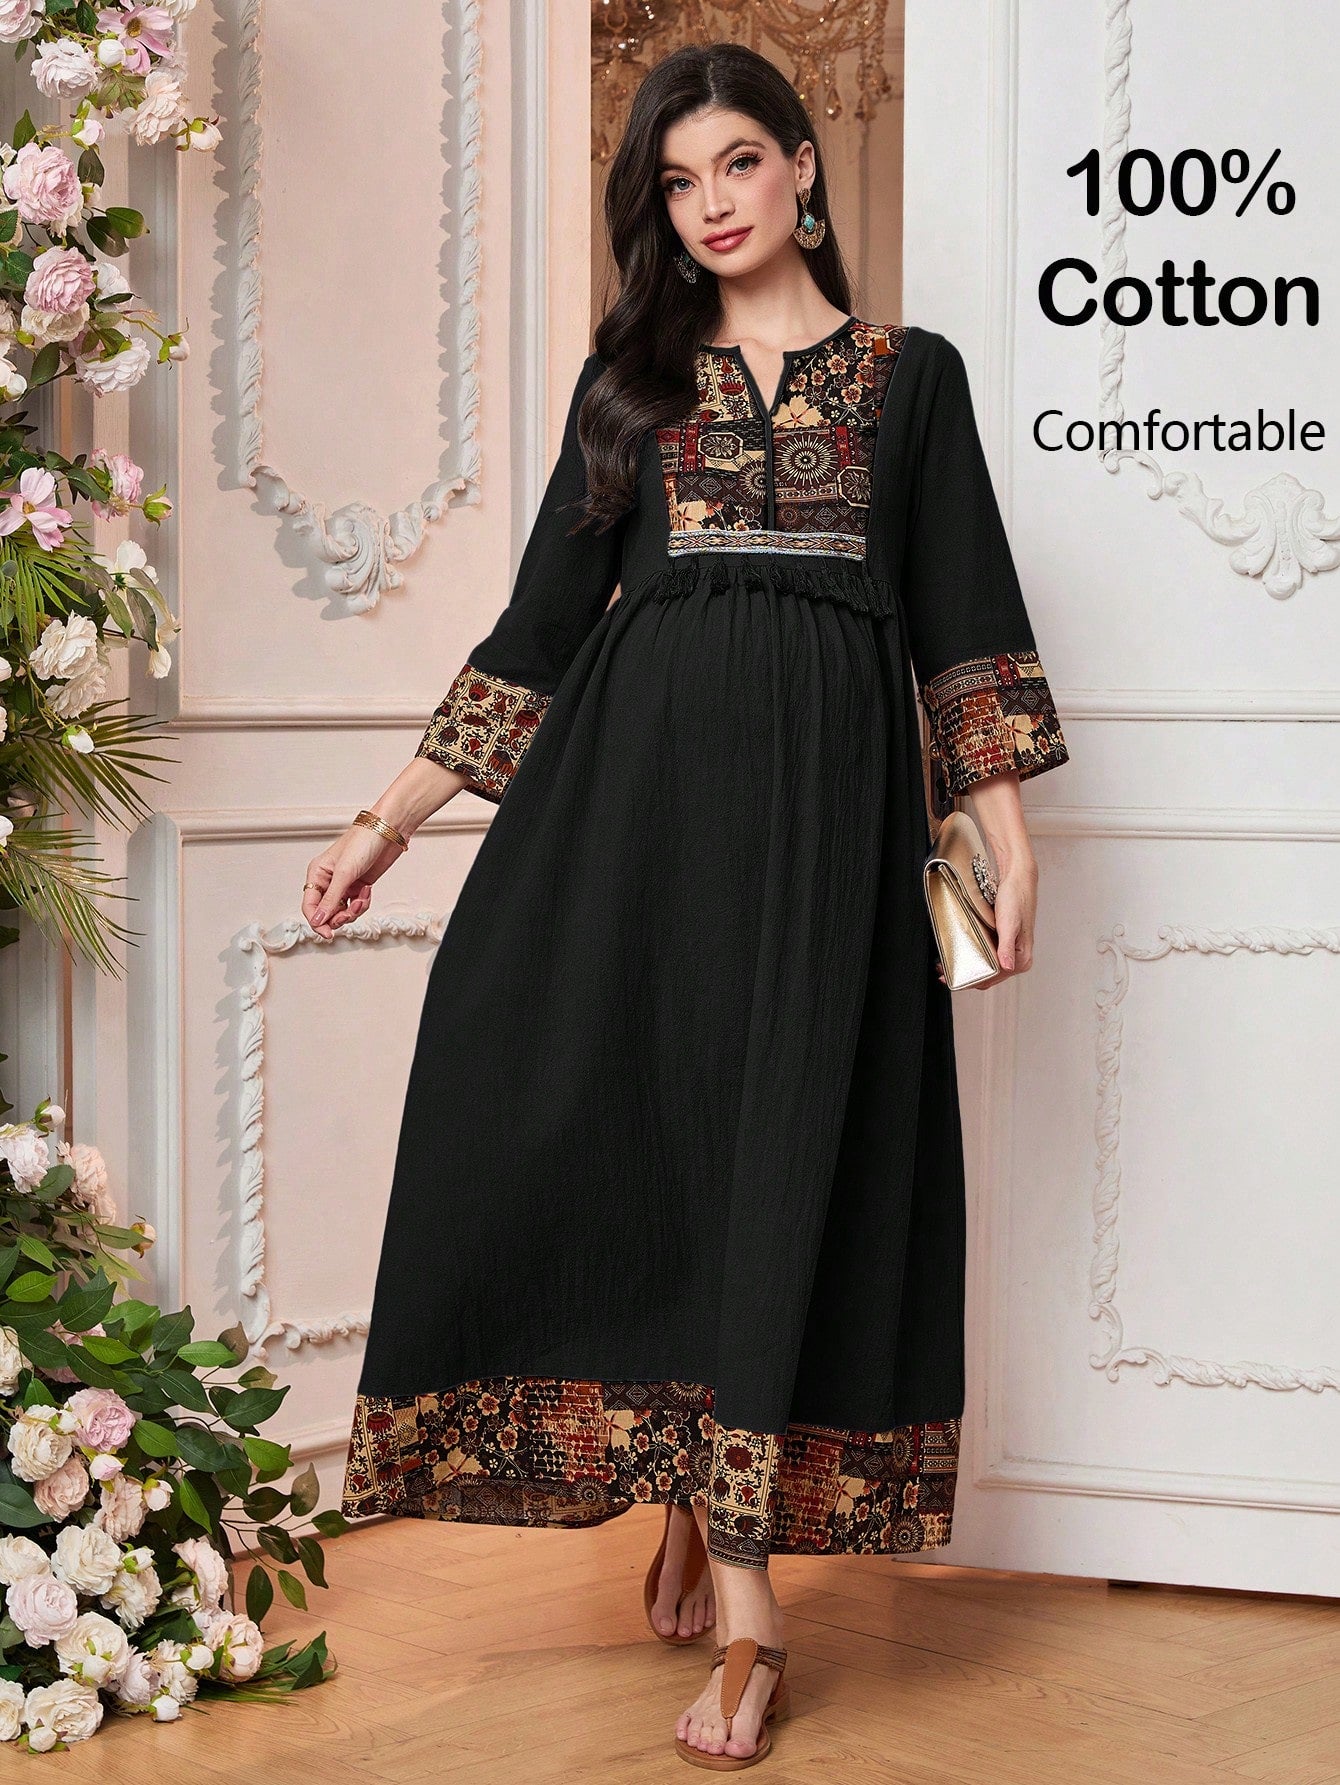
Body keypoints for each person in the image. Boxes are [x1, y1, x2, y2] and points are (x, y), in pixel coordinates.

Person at [314, 41, 1070, 1772]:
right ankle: (744, 1595)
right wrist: (383, 822)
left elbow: (963, 616)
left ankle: (727, 1551)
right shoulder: (633, 385)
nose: (711, 203)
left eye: (737, 162)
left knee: (783, 1166)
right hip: (629, 837)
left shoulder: (911, 380)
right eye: (676, 181)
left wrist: (1003, 831)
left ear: (802, 166)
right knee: (631, 1148)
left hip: (827, 847)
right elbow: (536, 632)